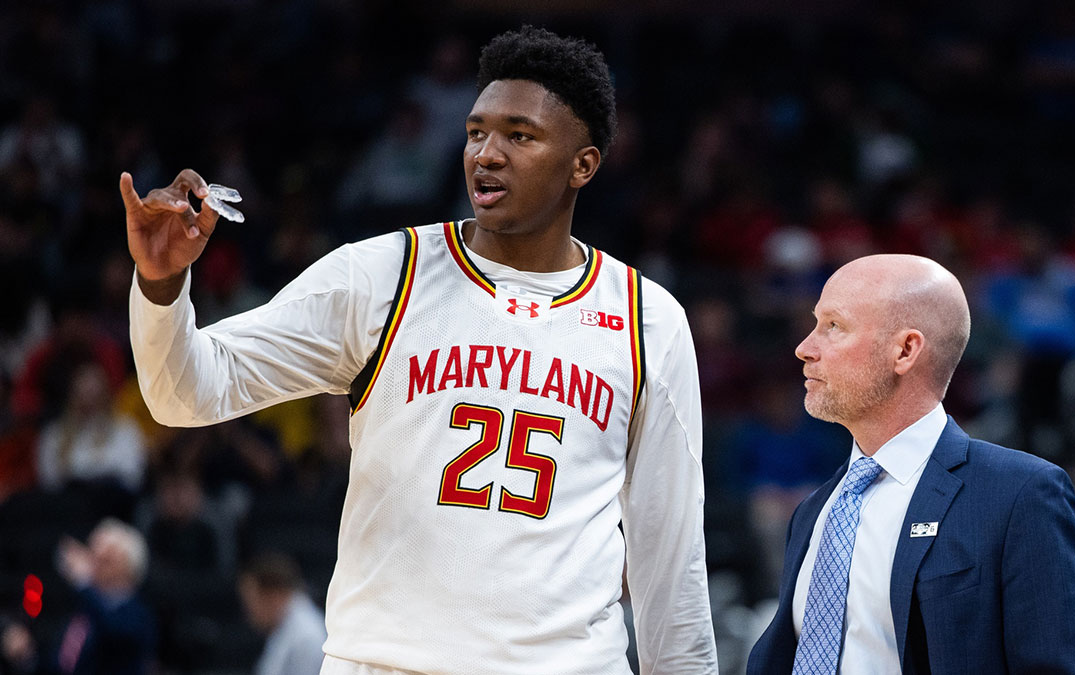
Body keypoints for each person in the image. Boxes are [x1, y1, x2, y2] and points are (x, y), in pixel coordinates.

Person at [121, 26, 715, 674]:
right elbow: (188, 391)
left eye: (520, 135)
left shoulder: (647, 318)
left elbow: (670, 560)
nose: (486, 154)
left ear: (584, 164)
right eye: (476, 131)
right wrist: (161, 285)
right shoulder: (379, 275)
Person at [747, 254, 1075, 674]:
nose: (805, 348)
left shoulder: (1020, 495)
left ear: (904, 350)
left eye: (833, 326)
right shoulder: (814, 512)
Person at [55, 518, 157, 675]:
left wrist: (83, 583)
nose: (95, 566)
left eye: (106, 560)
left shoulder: (138, 614)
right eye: (94, 556)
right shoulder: (83, 605)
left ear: (130, 568)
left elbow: (114, 631)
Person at [238, 553, 327, 675]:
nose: (248, 610)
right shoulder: (285, 626)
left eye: (251, 601)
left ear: (273, 595)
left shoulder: (306, 636)